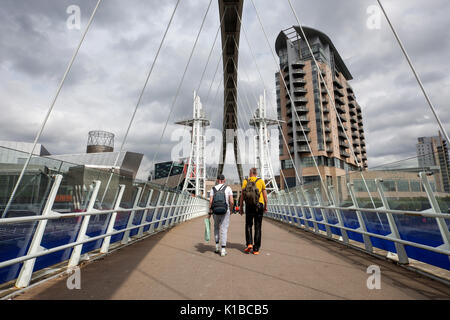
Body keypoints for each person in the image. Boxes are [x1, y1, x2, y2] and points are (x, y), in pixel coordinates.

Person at [239, 168, 267, 255]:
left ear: (250, 173)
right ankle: (256, 249)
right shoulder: (261, 181)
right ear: (256, 173)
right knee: (258, 226)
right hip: (259, 205)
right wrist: (266, 206)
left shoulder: (245, 181)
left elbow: (242, 196)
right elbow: (265, 196)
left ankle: (249, 244)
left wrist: (240, 207)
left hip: (249, 206)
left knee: (248, 225)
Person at [209, 174, 234, 257]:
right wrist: (231, 210)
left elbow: (211, 202)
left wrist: (210, 212)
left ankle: (216, 247)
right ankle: (223, 249)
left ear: (217, 180)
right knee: (224, 229)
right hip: (225, 211)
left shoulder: (213, 189)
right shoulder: (228, 188)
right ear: (224, 180)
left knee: (216, 228)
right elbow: (231, 202)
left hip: (215, 211)